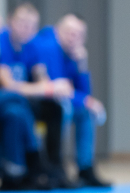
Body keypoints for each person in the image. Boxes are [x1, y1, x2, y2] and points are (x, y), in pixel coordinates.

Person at [0, 3, 72, 188]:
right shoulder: (1, 41)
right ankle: (33, 164)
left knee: (54, 108)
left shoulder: (31, 45)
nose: (26, 28)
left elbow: (40, 75)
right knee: (19, 109)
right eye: (22, 22)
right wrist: (45, 89)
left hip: (23, 100)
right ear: (10, 21)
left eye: (31, 25)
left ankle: (54, 168)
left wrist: (53, 87)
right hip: (0, 102)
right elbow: (7, 85)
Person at [34, 15, 110, 188]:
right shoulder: (48, 46)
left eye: (78, 35)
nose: (73, 38)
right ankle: (56, 167)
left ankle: (85, 168)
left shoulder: (72, 54)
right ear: (57, 30)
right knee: (65, 108)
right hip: (42, 102)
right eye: (69, 32)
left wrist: (82, 65)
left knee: (85, 112)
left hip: (61, 100)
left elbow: (84, 93)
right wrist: (86, 101)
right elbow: (57, 89)